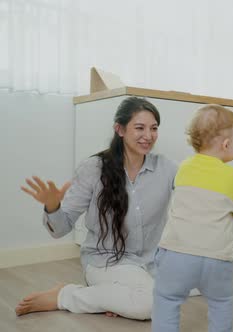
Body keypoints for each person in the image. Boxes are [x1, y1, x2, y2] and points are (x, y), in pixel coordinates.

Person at [16, 97, 179, 320]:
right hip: (106, 261)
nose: (148, 136)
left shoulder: (165, 167)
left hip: (150, 262)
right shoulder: (93, 168)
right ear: (119, 129)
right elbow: (60, 229)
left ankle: (109, 298)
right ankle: (65, 296)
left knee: (200, 282)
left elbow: (193, 193)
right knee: (153, 305)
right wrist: (52, 206)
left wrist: (229, 197)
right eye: (139, 128)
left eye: (154, 128)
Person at [152, 104, 233, 332]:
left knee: (167, 300)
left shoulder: (183, 168)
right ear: (227, 144)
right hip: (217, 258)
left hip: (176, 254)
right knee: (221, 303)